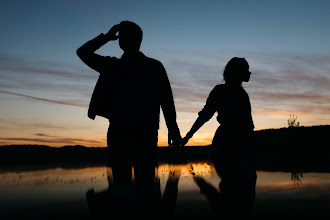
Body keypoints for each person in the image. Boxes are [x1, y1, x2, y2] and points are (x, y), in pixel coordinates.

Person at [76, 21, 182, 167]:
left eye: (126, 35)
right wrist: (106, 37)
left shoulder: (153, 67)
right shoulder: (112, 65)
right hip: (120, 132)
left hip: (145, 132)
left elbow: (166, 99)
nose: (122, 38)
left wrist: (173, 128)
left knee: (143, 182)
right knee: (122, 182)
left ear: (137, 39)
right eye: (121, 36)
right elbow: (82, 52)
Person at [182, 57, 257, 218]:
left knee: (241, 187)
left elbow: (248, 125)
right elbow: (205, 115)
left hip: (240, 143)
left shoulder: (241, 93)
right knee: (237, 186)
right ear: (237, 72)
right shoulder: (222, 91)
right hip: (230, 143)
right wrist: (188, 136)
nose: (249, 73)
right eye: (246, 69)